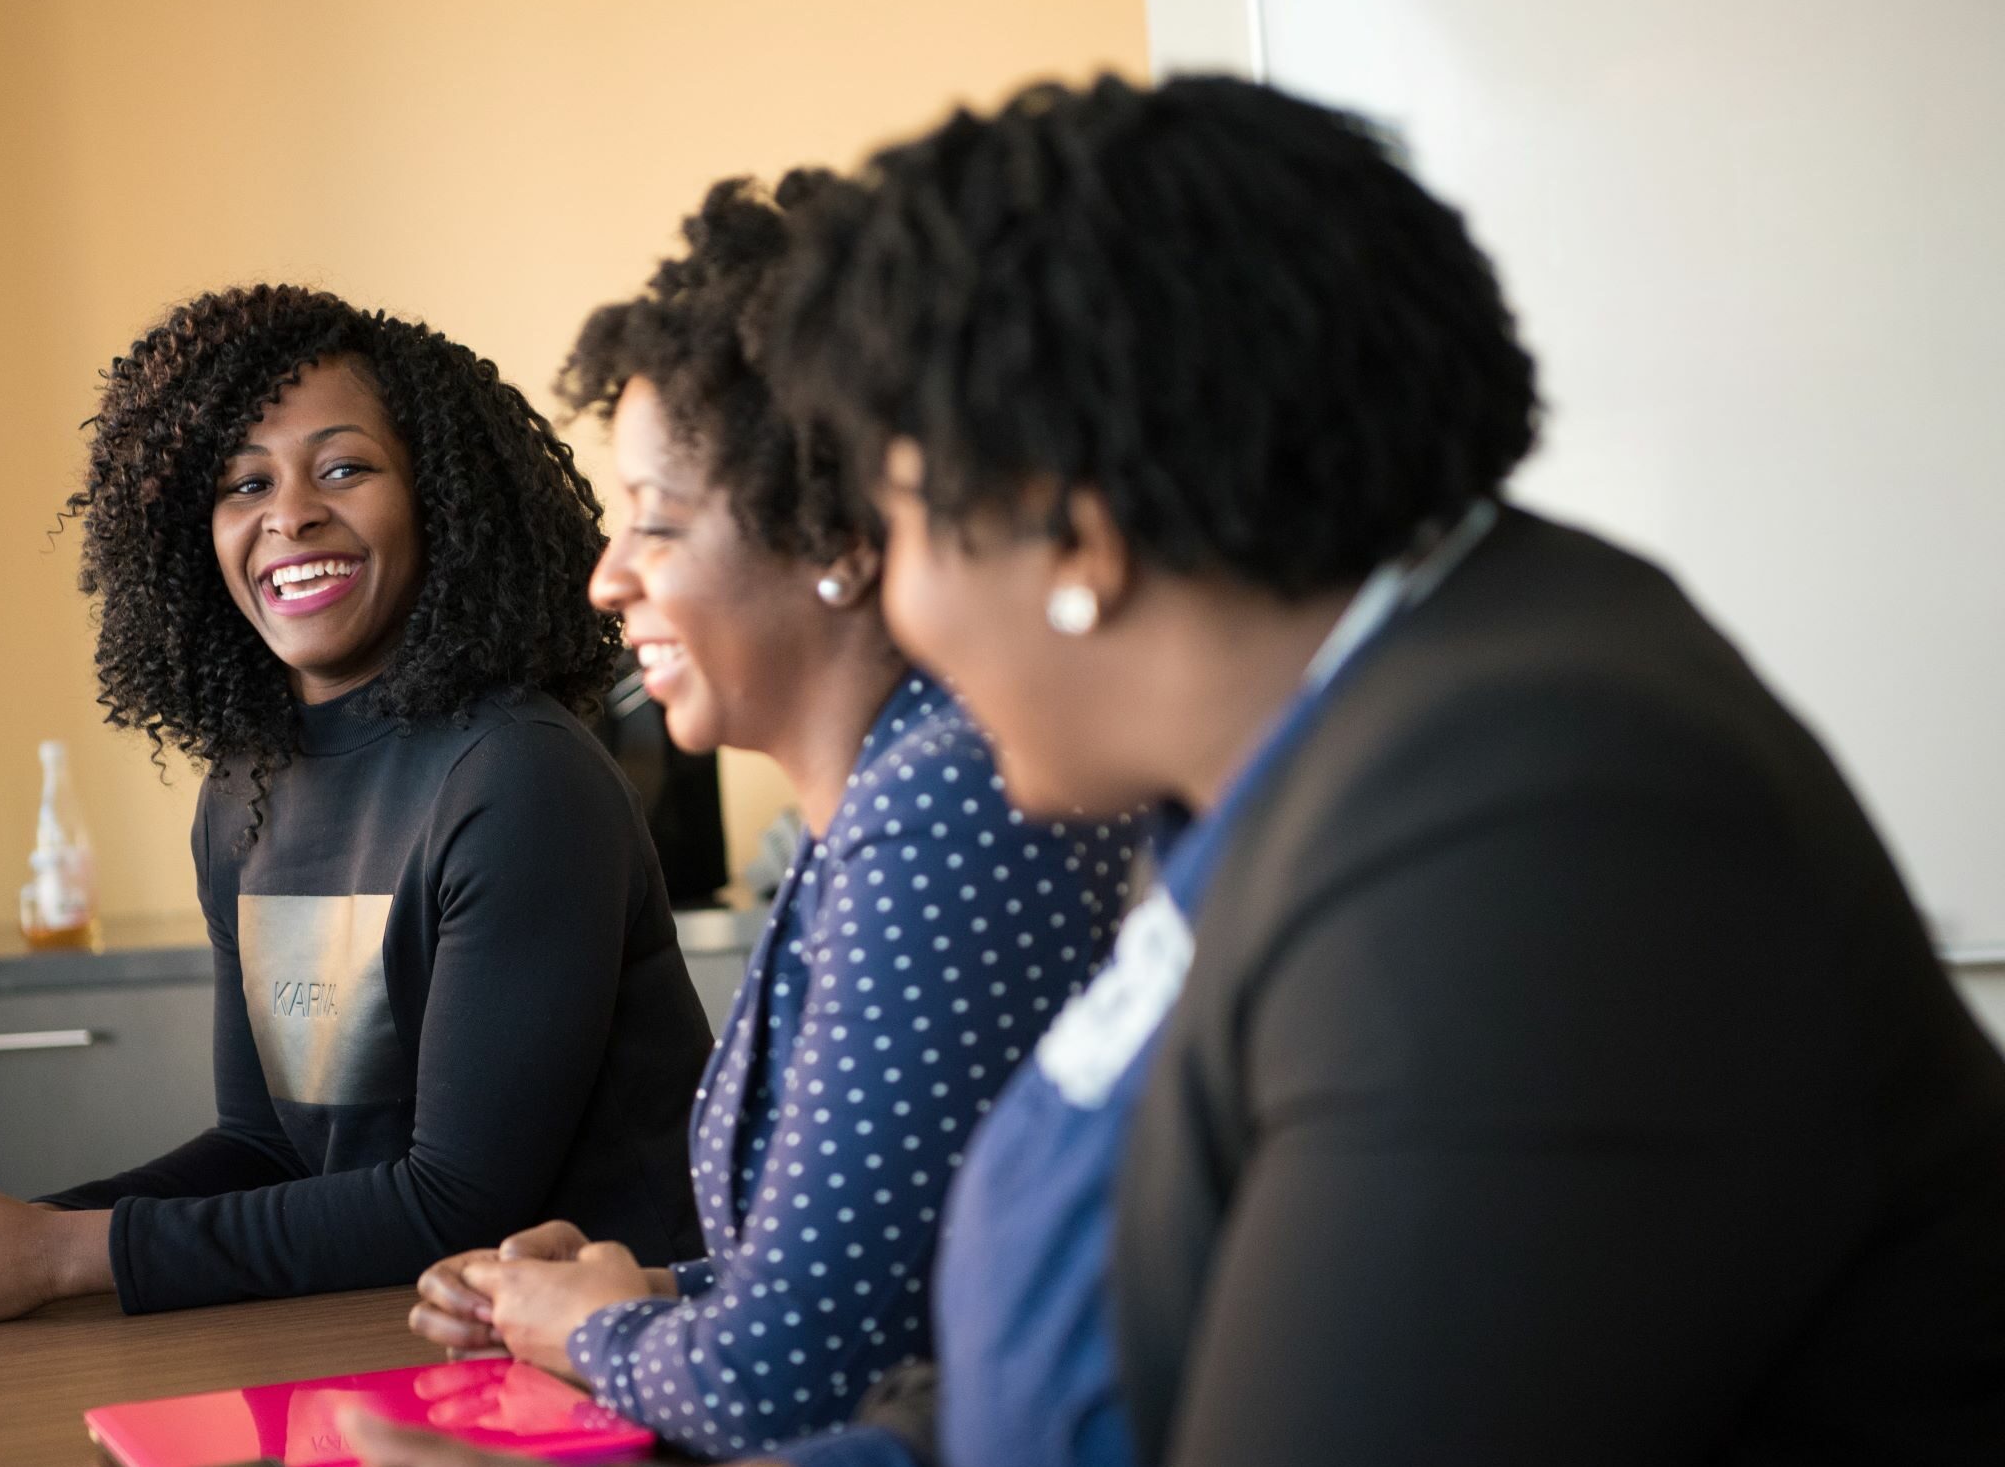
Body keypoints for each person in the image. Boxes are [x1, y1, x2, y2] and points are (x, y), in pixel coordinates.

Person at [760, 75, 2005, 1464]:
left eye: (897, 527)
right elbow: (1121, 1319)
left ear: (1075, 535)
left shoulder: (1537, 822)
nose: (896, 607)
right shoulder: (1313, 752)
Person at [400, 175, 1130, 1457]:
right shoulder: (866, 808)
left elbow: (784, 1384)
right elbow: (882, 1288)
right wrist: (620, 1296)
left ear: (836, 536)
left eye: (655, 523)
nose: (607, 575)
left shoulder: (944, 807)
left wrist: (591, 1332)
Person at [0, 285, 714, 1325]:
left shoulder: (518, 774)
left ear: (440, 501)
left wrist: (60, 1251)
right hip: (379, 1327)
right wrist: (21, 1227)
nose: (289, 513)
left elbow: (453, 1200)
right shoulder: (244, 790)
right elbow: (267, 1147)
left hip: (605, 1365)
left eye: (344, 467)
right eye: (242, 483)